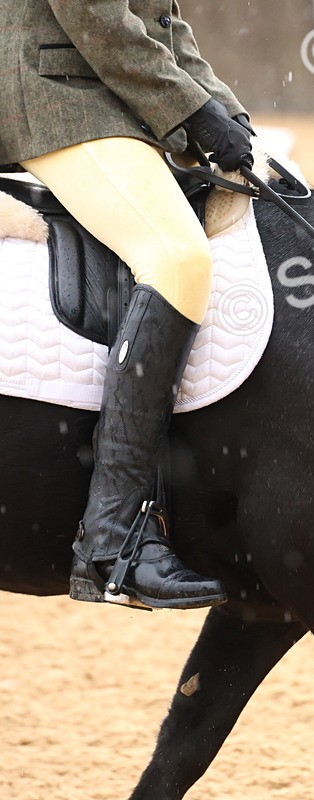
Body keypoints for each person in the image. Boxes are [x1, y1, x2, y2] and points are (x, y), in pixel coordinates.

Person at [0, 1, 256, 609]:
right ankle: (114, 540)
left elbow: (160, 21)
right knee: (176, 258)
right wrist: (192, 108)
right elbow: (96, 16)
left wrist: (227, 111)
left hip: (113, 93)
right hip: (56, 98)